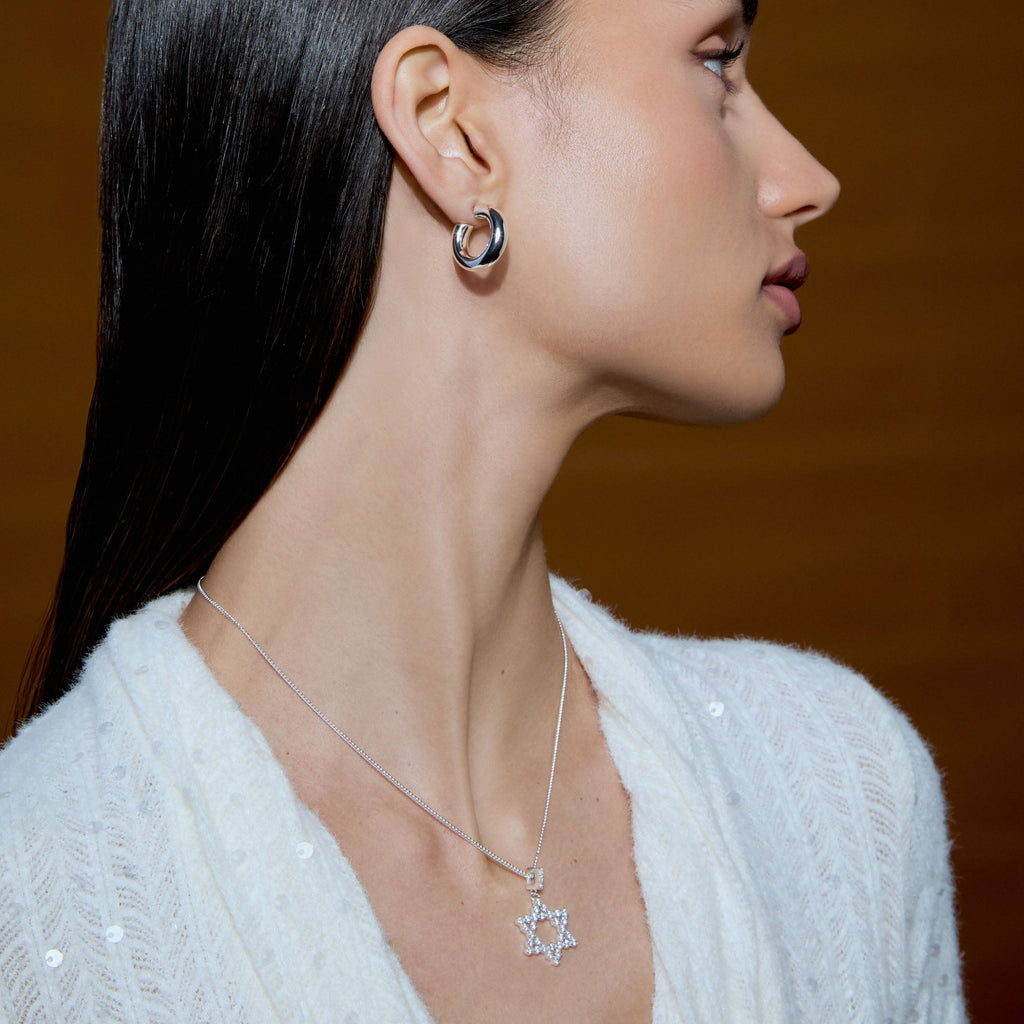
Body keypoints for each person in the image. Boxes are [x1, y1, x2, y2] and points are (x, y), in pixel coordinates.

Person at [1, 0, 965, 1020]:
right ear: (450, 129)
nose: (807, 181)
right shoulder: (36, 905)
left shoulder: (837, 791)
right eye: (717, 64)